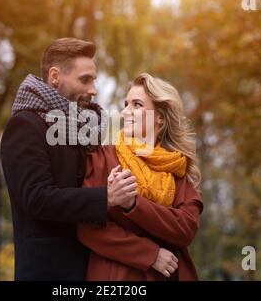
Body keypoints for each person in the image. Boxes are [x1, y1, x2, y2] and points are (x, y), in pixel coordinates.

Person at [0, 38, 137, 280]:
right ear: (55, 77)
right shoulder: (25, 125)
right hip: (49, 272)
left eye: (94, 79)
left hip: (91, 268)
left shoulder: (82, 128)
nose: (94, 89)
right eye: (85, 79)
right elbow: (36, 197)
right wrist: (107, 197)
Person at [77, 73, 203, 281]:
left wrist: (133, 204)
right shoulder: (104, 157)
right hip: (117, 277)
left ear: (160, 118)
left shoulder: (176, 167)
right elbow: (87, 226)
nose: (126, 112)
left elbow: (186, 229)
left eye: (137, 105)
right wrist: (150, 254)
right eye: (125, 104)